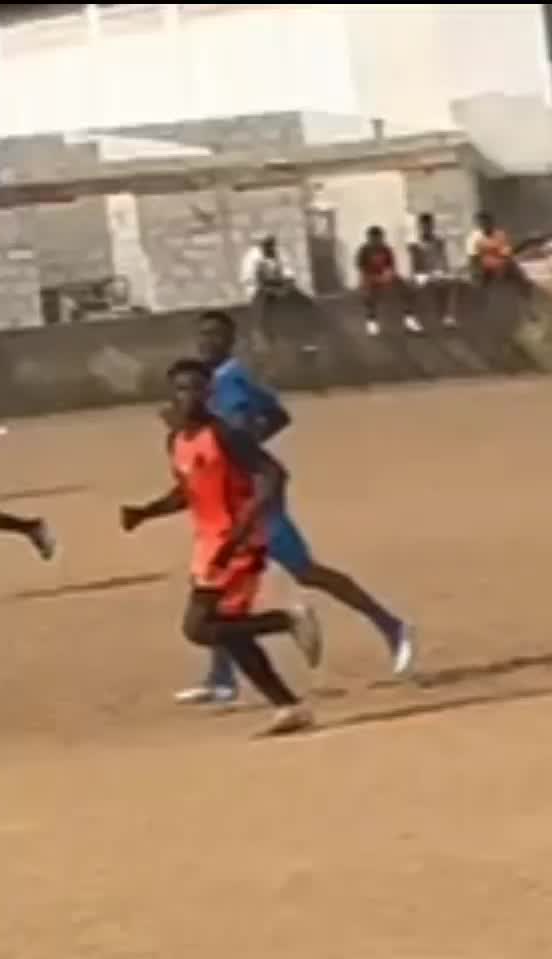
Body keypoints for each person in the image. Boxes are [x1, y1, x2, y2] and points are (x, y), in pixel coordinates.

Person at [175, 309, 416, 707]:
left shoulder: (235, 378)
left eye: (215, 335)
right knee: (221, 584)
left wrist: (247, 445)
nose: (207, 342)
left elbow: (277, 415)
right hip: (231, 497)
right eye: (202, 335)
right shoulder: (204, 385)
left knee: (303, 571)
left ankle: (392, 626)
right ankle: (222, 678)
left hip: (256, 497)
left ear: (230, 341)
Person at [120, 358, 319, 738]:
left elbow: (272, 474)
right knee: (229, 632)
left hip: (238, 544)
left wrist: (244, 527)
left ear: (209, 393)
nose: (189, 396)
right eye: (182, 389)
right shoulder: (177, 441)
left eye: (197, 388)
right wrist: (146, 512)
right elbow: (188, 491)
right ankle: (289, 706)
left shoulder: (225, 435)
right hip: (209, 544)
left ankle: (287, 620)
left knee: (199, 627)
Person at [356, 225, 422, 337]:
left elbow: (391, 266)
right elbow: (362, 269)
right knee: (368, 292)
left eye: (379, 239)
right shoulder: (363, 251)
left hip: (384, 276)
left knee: (405, 288)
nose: (376, 242)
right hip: (370, 277)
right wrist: (375, 278)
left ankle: (409, 320)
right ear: (369, 238)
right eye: (374, 239)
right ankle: (371, 321)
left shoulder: (386, 249)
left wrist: (387, 275)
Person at [409, 212, 457, 327]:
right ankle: (414, 319)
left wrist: (443, 272)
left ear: (432, 226)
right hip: (422, 274)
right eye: (424, 226)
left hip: (436, 272)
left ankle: (447, 316)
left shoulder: (439, 242)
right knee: (413, 286)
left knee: (449, 282)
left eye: (429, 225)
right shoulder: (415, 244)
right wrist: (418, 275)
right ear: (420, 227)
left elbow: (443, 260)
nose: (426, 228)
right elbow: (415, 265)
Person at [465, 210, 526, 292]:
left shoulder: (500, 234)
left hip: (499, 260)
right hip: (482, 263)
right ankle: (480, 289)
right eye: (481, 223)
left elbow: (506, 251)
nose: (484, 225)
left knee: (514, 267)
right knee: (479, 273)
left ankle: (523, 289)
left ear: (491, 223)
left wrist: (504, 257)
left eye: (486, 223)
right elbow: (473, 256)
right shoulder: (474, 238)